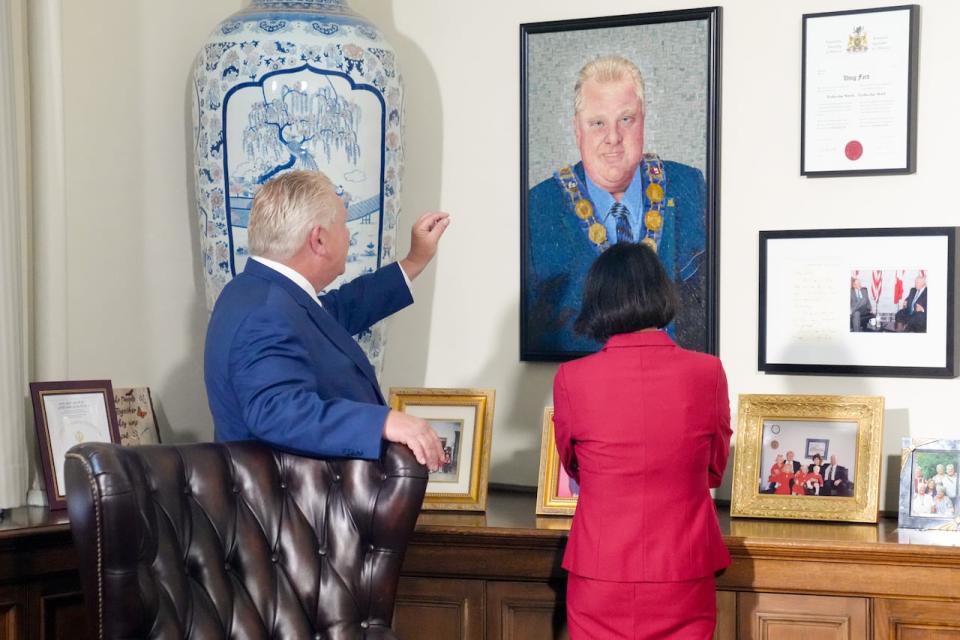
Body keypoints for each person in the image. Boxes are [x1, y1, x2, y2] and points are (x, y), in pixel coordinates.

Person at [204, 170, 448, 470]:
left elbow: (334, 314)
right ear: (318, 239)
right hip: (294, 512)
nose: (348, 234)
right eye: (344, 224)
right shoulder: (266, 311)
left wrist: (414, 260)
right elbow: (276, 410)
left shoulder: (257, 291)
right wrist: (383, 422)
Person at [552, 242, 731, 639]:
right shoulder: (708, 372)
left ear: (598, 301)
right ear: (661, 293)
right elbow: (714, 469)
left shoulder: (571, 378)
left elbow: (573, 465)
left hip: (601, 572)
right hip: (683, 569)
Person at [526, 55, 707, 355]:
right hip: (589, 389)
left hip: (673, 386)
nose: (613, 138)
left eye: (626, 119)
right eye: (598, 123)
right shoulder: (538, 208)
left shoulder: (690, 187)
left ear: (643, 120)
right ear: (577, 130)